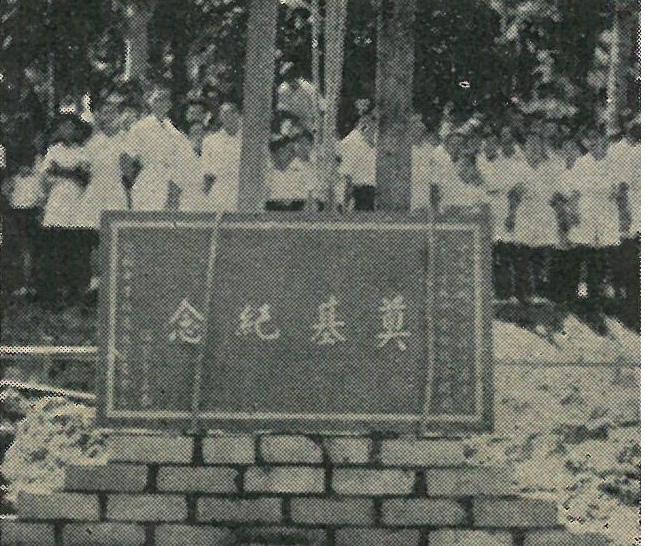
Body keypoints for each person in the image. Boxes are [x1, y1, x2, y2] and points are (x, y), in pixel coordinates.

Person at [37, 113, 92, 306]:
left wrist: (62, 171)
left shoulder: (82, 151)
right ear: (59, 130)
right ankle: (51, 295)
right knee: (53, 250)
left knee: (73, 250)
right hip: (56, 204)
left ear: (77, 131)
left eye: (71, 127)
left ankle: (73, 293)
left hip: (76, 206)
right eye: (64, 127)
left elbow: (84, 178)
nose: (67, 130)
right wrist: (70, 172)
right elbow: (46, 177)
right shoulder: (53, 151)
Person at [124, 83, 194, 211]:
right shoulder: (140, 127)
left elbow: (182, 163)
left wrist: (175, 189)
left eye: (165, 100)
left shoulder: (175, 132)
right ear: (150, 102)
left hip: (171, 184)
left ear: (169, 105)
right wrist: (131, 183)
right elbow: (126, 158)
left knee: (166, 221)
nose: (161, 103)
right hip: (147, 181)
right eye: (157, 99)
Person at [201, 102, 242, 213]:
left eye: (232, 113)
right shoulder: (210, 141)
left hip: (243, 191)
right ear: (220, 117)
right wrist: (204, 198)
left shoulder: (248, 141)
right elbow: (207, 173)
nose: (228, 117)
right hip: (220, 191)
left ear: (238, 115)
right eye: (224, 114)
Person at [339, 109, 377, 211]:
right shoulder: (352, 141)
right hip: (359, 191)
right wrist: (345, 201)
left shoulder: (371, 140)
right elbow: (347, 173)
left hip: (372, 192)